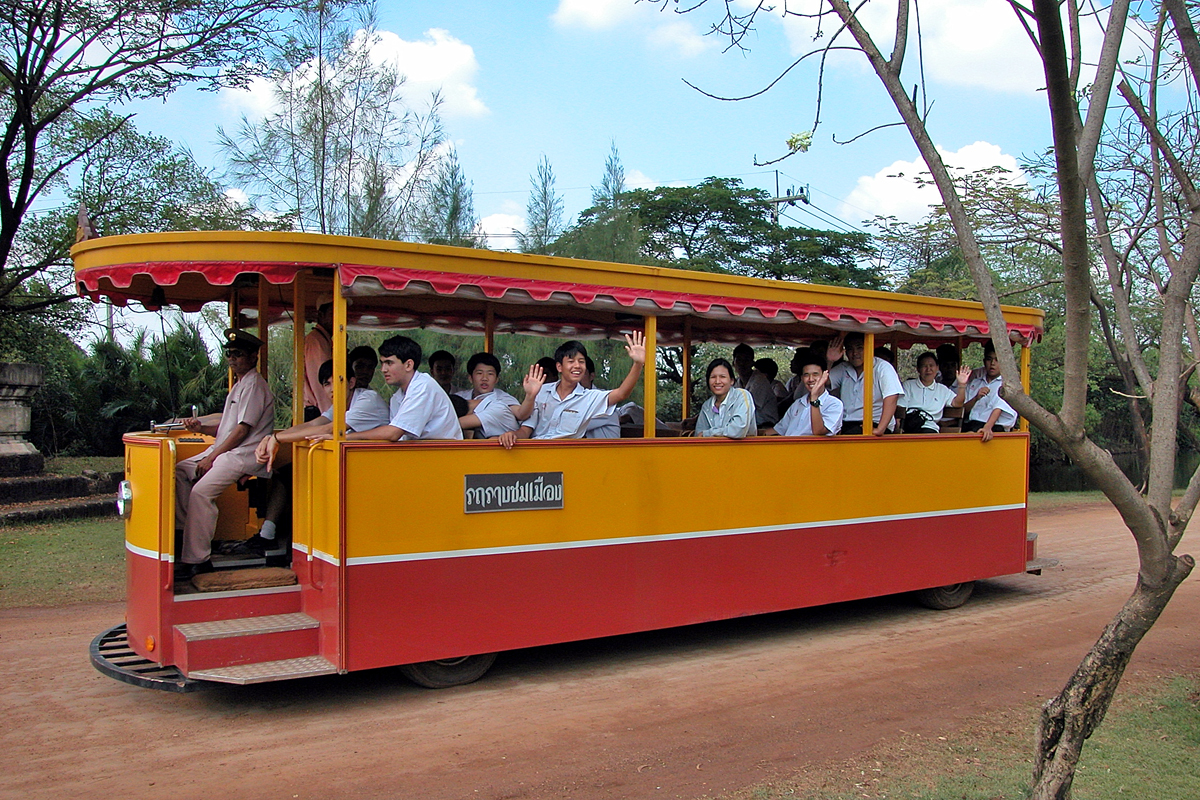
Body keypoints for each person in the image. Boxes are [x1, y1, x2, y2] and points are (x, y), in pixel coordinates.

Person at [236, 358, 390, 556]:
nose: (332, 388)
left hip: (374, 467)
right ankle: (271, 534)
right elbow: (315, 424)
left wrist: (276, 438)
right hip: (353, 465)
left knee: (297, 475)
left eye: (338, 381)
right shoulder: (342, 405)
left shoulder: (367, 400)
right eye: (326, 384)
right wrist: (272, 437)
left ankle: (291, 540)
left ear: (351, 383)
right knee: (286, 473)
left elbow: (329, 429)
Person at [174, 329, 275, 578]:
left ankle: (197, 559)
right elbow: (227, 427)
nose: (232, 359)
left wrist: (211, 457)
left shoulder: (254, 386)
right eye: (229, 354)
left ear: (253, 356)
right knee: (179, 471)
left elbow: (242, 431)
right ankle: (186, 535)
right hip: (226, 451)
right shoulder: (240, 384)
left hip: (244, 454)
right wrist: (202, 428)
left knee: (201, 493)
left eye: (238, 354)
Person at [498, 333, 646, 447]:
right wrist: (512, 435)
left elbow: (621, 393)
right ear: (559, 367)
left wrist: (638, 364)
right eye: (571, 361)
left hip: (568, 457)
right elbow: (525, 430)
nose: (577, 366)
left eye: (581, 362)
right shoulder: (541, 391)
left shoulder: (589, 397)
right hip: (537, 453)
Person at [312, 336, 463, 442]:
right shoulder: (398, 396)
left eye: (389, 363)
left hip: (442, 459)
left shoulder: (423, 387)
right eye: (382, 363)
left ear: (408, 365)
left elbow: (393, 433)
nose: (383, 369)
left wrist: (342, 437)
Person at [826, 332, 903, 436]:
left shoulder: (882, 367)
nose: (855, 353)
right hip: (846, 424)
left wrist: (880, 429)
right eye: (850, 349)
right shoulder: (844, 367)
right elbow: (823, 382)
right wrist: (830, 361)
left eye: (859, 348)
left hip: (873, 423)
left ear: (869, 347)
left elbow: (892, 396)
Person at [455, 352, 537, 439]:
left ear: (497, 379)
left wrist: (530, 395)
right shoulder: (460, 397)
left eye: (490, 374)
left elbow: (521, 414)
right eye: (479, 373)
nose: (484, 378)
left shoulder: (501, 400)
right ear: (470, 378)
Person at [763, 352, 844, 436]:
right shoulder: (798, 403)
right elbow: (779, 430)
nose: (810, 379)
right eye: (806, 375)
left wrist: (814, 398)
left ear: (825, 376)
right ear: (802, 378)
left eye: (815, 374)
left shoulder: (834, 404)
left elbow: (818, 432)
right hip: (789, 447)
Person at [898, 352, 972, 433]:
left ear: (937, 368)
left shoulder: (942, 389)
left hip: (930, 428)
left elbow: (958, 403)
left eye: (931, 366)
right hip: (909, 427)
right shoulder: (908, 385)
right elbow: (900, 408)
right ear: (918, 369)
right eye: (924, 366)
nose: (928, 369)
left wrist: (962, 385)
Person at [962, 345, 1018, 442]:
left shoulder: (1008, 385)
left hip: (995, 428)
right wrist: (976, 398)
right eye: (989, 359)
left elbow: (999, 408)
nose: (992, 363)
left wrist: (987, 427)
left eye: (997, 360)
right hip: (972, 424)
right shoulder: (975, 382)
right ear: (984, 362)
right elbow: (964, 410)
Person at [694, 358, 756, 439]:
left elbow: (738, 430)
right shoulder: (707, 406)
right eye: (713, 377)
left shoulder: (742, 396)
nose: (717, 381)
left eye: (722, 377)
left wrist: (709, 433)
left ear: (732, 381)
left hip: (743, 450)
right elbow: (699, 435)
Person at [732, 343, 779, 428]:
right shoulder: (736, 384)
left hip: (766, 426)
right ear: (733, 363)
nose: (742, 364)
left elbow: (747, 407)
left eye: (746, 360)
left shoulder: (760, 380)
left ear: (752, 363)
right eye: (739, 360)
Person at [303, 296, 334, 421]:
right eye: (333, 313)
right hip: (317, 412)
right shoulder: (316, 341)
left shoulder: (324, 340)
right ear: (321, 315)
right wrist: (330, 416)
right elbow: (320, 382)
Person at [582, 356, 621, 438]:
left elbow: (573, 425)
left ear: (591, 376)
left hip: (608, 449)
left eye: (582, 373)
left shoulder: (603, 399)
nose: (577, 378)